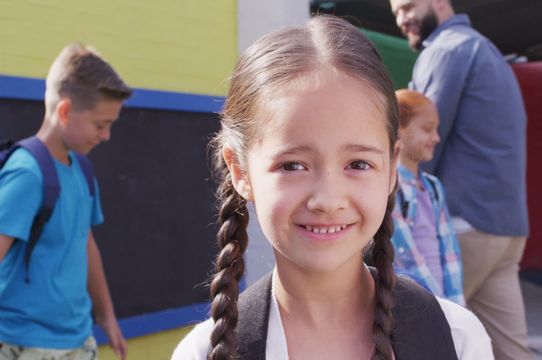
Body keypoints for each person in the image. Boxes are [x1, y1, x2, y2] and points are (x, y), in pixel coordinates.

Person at [173, 15, 493, 360]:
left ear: (391, 168)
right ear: (240, 170)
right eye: (292, 165)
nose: (328, 199)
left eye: (358, 164)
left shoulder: (455, 339)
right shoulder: (203, 352)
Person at [389, 1, 532, 359]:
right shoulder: (487, 51)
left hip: (463, 224)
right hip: (507, 227)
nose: (402, 18)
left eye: (408, 5)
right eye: (396, 12)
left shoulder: (446, 50)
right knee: (510, 351)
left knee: (420, 338)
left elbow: (415, 143)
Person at [0, 44, 132, 360]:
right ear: (64, 111)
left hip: (77, 341)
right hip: (24, 344)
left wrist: (106, 315)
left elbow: (85, 243)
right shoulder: (26, 174)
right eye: (100, 124)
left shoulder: (82, 169)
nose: (106, 136)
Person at [391, 89, 464, 306]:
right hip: (415, 302)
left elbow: (450, 251)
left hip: (441, 302)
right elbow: (406, 256)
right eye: (427, 130)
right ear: (399, 131)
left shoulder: (432, 187)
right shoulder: (392, 187)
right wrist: (437, 303)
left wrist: (456, 304)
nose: (436, 137)